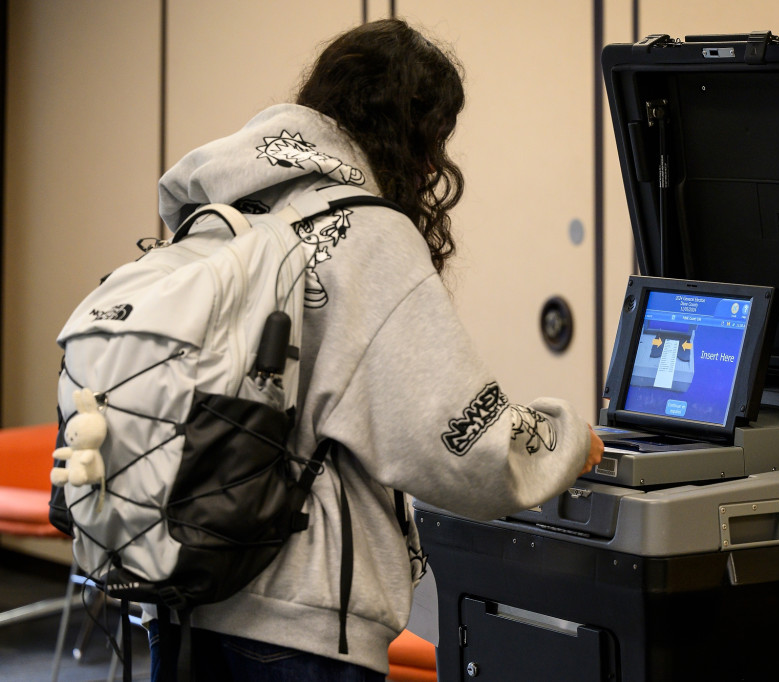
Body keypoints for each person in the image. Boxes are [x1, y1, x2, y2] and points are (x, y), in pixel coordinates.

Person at [148, 18, 603, 681]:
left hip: (182, 593)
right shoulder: (364, 233)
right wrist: (565, 442)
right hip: (296, 621)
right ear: (404, 134)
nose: (429, 167)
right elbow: (457, 441)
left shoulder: (221, 215)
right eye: (431, 141)